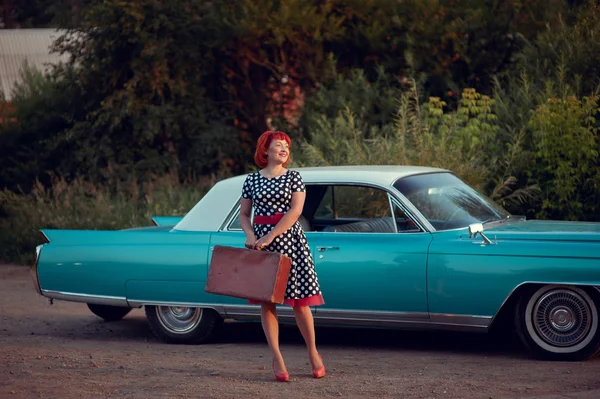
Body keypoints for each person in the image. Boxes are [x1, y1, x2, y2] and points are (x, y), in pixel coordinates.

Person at [239, 130, 326, 382]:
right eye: (279, 145)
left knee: (300, 302)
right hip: (261, 244)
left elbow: (296, 211)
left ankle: (313, 353)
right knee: (268, 302)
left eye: (287, 145)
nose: (284, 149)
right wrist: (250, 235)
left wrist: (271, 236)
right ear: (265, 150)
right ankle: (277, 357)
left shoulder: (294, 177)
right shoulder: (252, 180)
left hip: (290, 240)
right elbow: (244, 214)